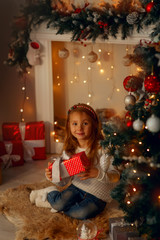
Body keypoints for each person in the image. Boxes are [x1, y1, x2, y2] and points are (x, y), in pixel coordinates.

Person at [30, 103, 120, 220]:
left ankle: (53, 203)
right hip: (77, 187)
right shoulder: (70, 151)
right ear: (69, 126)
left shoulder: (103, 148)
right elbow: (64, 181)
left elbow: (116, 176)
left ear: (94, 125)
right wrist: (53, 176)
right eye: (75, 123)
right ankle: (50, 193)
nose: (79, 128)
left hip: (98, 196)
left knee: (80, 213)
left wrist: (98, 173)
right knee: (59, 203)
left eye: (85, 123)